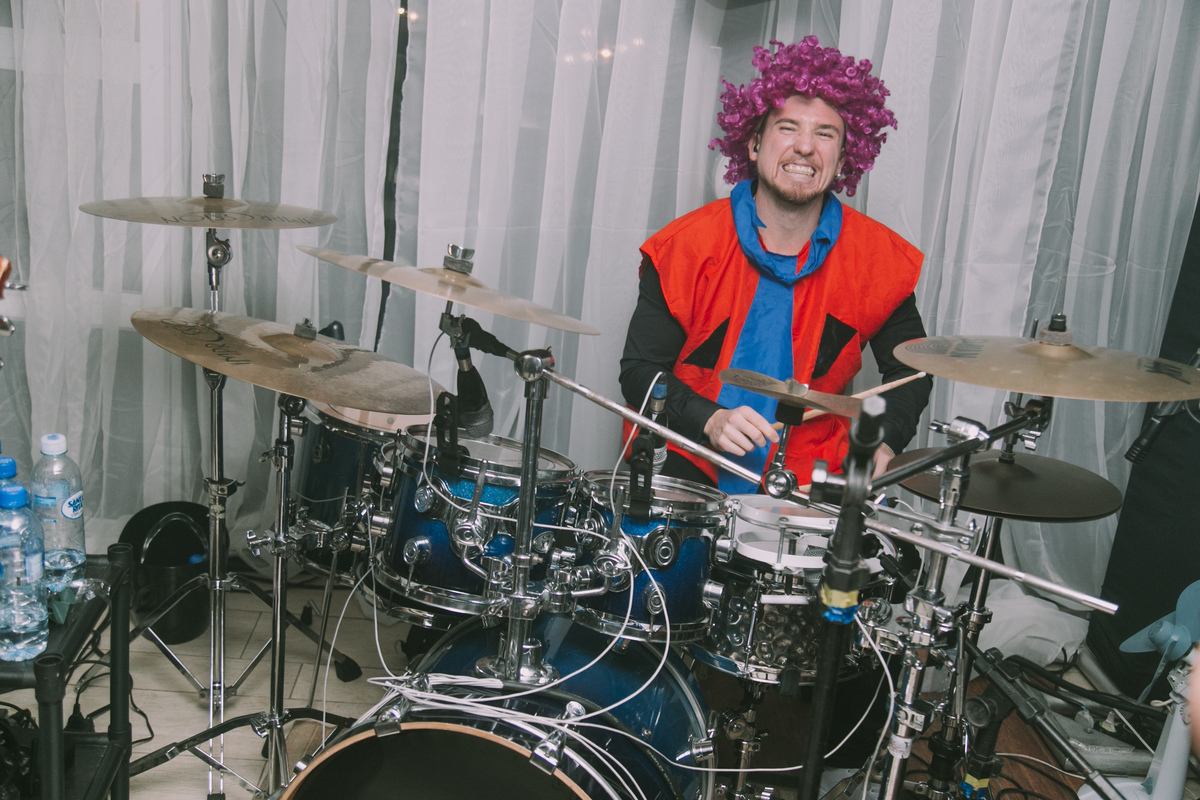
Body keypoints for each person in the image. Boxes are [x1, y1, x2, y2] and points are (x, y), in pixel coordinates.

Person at [621, 37, 932, 494]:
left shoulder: (878, 259)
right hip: (691, 456)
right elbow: (639, 371)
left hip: (809, 474)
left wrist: (884, 441)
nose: (805, 147)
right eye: (788, 127)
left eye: (825, 134)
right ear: (753, 144)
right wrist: (709, 419)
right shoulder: (686, 246)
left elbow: (913, 371)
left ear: (843, 161)